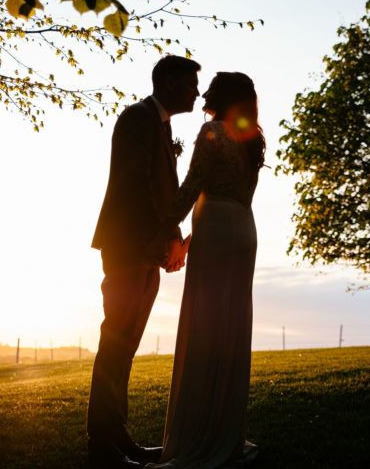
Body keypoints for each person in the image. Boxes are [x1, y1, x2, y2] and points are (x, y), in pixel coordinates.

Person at [145, 72, 265, 469]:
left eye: (213, 85)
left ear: (225, 95)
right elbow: (234, 200)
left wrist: (165, 233)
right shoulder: (251, 138)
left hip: (216, 232)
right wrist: (189, 242)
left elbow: (193, 187)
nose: (205, 91)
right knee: (227, 330)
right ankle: (222, 432)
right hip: (242, 233)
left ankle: (196, 441)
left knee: (204, 328)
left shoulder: (213, 130)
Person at [88, 55, 202, 469]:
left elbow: (164, 189)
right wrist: (160, 239)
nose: (196, 92)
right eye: (191, 83)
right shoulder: (136, 117)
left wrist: (169, 238)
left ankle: (120, 439)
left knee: (127, 345)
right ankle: (101, 446)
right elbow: (137, 187)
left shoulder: (163, 124)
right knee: (115, 342)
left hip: (146, 249)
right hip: (126, 245)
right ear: (170, 82)